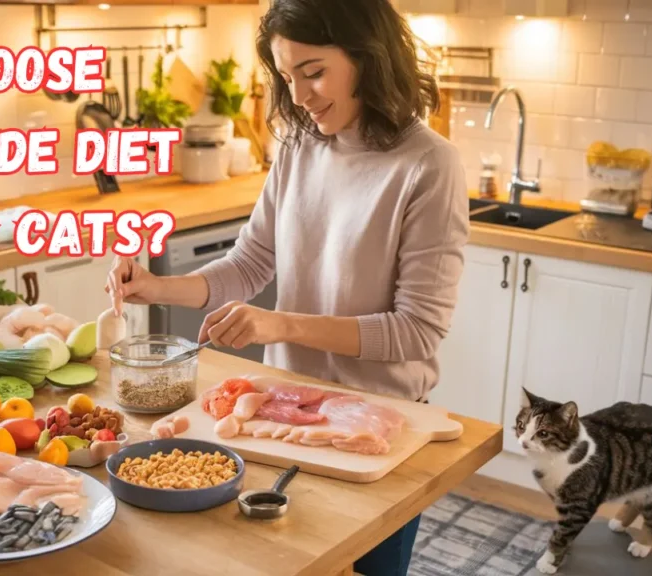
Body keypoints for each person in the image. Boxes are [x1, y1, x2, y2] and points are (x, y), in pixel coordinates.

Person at [105, 0, 469, 573]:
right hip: (278, 416)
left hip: (378, 429)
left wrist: (278, 323)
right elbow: (251, 262)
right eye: (286, 76)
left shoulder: (429, 165)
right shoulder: (301, 144)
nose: (299, 96)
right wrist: (159, 288)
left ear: (368, 59)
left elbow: (416, 331)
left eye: (315, 71)